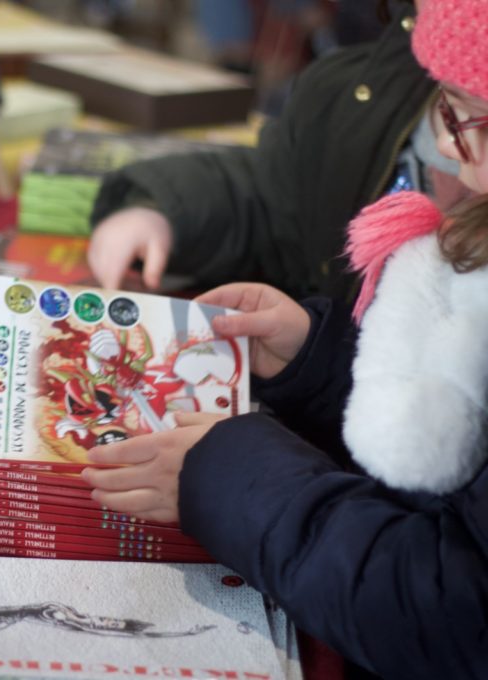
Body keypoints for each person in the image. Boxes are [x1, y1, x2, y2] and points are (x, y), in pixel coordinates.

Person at [81, 1, 488, 678]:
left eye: (470, 118)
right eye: (447, 110)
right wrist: (321, 360)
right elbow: (460, 432)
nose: (448, 145)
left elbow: (449, 611)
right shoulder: (368, 83)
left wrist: (227, 475)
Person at [87, 0, 451, 302]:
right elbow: (274, 199)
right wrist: (164, 212)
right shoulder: (355, 90)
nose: (451, 143)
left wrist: (311, 346)